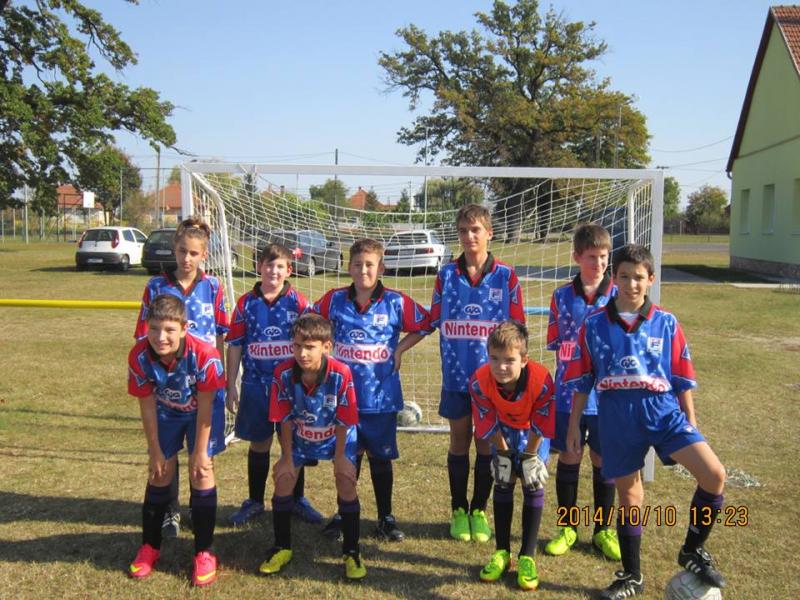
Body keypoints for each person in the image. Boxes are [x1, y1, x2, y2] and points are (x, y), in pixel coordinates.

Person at [565, 244, 727, 599]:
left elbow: (681, 377)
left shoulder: (666, 322)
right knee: (630, 495)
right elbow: (583, 380)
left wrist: (690, 418)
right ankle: (632, 576)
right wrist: (574, 424)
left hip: (662, 410)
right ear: (614, 277)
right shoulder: (594, 324)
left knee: (714, 475)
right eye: (624, 276)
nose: (631, 284)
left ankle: (692, 549)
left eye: (639, 277)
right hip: (616, 414)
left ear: (651, 279)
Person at [314, 238, 431, 542]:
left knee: (381, 459)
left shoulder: (395, 302)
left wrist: (400, 349)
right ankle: (344, 513)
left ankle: (385, 518)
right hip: (343, 398)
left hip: (381, 397)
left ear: (381, 268)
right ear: (349, 267)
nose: (363, 270)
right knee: (347, 458)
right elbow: (310, 324)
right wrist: (324, 353)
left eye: (369, 264)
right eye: (357, 264)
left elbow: (426, 323)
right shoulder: (334, 300)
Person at [430, 203, 525, 543]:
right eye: (463, 231)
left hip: (492, 381)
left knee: (487, 444)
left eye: (475, 230)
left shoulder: (506, 276)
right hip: (456, 378)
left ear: (489, 233)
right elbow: (433, 320)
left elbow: (518, 330)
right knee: (459, 441)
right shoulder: (446, 275)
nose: (469, 236)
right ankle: (458, 509)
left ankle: (479, 511)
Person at [134, 216, 228, 537]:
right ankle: (169, 509)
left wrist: (221, 377)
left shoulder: (213, 286)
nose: (187, 258)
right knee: (167, 452)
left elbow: (219, 334)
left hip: (204, 383)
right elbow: (143, 335)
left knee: (202, 452)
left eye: (194, 253)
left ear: (204, 255)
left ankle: (197, 507)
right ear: (174, 250)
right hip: (168, 385)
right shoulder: (156, 286)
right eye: (182, 251)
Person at [127, 294, 225, 587]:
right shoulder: (139, 356)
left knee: (202, 472)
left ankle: (205, 552)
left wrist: (200, 452)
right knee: (159, 472)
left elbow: (206, 407)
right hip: (166, 412)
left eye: (169, 329)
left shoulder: (205, 355)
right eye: (154, 329)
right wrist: (155, 450)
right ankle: (150, 546)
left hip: (201, 415)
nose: (161, 337)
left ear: (184, 328)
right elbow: (146, 406)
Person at [258, 314, 366, 580]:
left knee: (346, 481)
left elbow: (344, 419)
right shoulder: (283, 373)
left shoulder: (341, 373)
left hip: (336, 437)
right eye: (297, 346)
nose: (302, 353)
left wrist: (341, 458)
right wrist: (286, 457)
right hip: (300, 438)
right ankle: (282, 547)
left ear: (326, 347)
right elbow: (283, 418)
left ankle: (352, 551)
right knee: (283, 479)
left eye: (309, 347)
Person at [225, 243, 321, 526]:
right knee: (259, 443)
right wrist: (231, 384)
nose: (274, 271)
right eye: (269, 265)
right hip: (256, 385)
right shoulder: (246, 303)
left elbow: (313, 343)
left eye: (280, 266)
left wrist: (312, 381)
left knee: (294, 444)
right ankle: (254, 501)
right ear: (259, 267)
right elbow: (235, 345)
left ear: (289, 270)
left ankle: (296, 499)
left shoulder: (298, 302)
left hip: (292, 387)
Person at [545, 223, 621, 561]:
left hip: (607, 397)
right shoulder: (561, 296)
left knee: (603, 461)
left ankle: (603, 529)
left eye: (604, 257)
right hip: (567, 396)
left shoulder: (619, 294)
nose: (599, 263)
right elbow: (556, 345)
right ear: (577, 257)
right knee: (569, 456)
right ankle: (568, 527)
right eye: (592, 257)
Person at [470, 321, 555, 591]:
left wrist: (530, 455)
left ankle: (527, 556)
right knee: (503, 479)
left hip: (532, 432)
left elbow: (542, 422)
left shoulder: (541, 381)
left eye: (509, 360)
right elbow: (487, 420)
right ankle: (502, 552)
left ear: (524, 360)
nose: (501, 366)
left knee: (532, 482)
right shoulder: (479, 381)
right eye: (494, 358)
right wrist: (504, 452)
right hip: (503, 430)